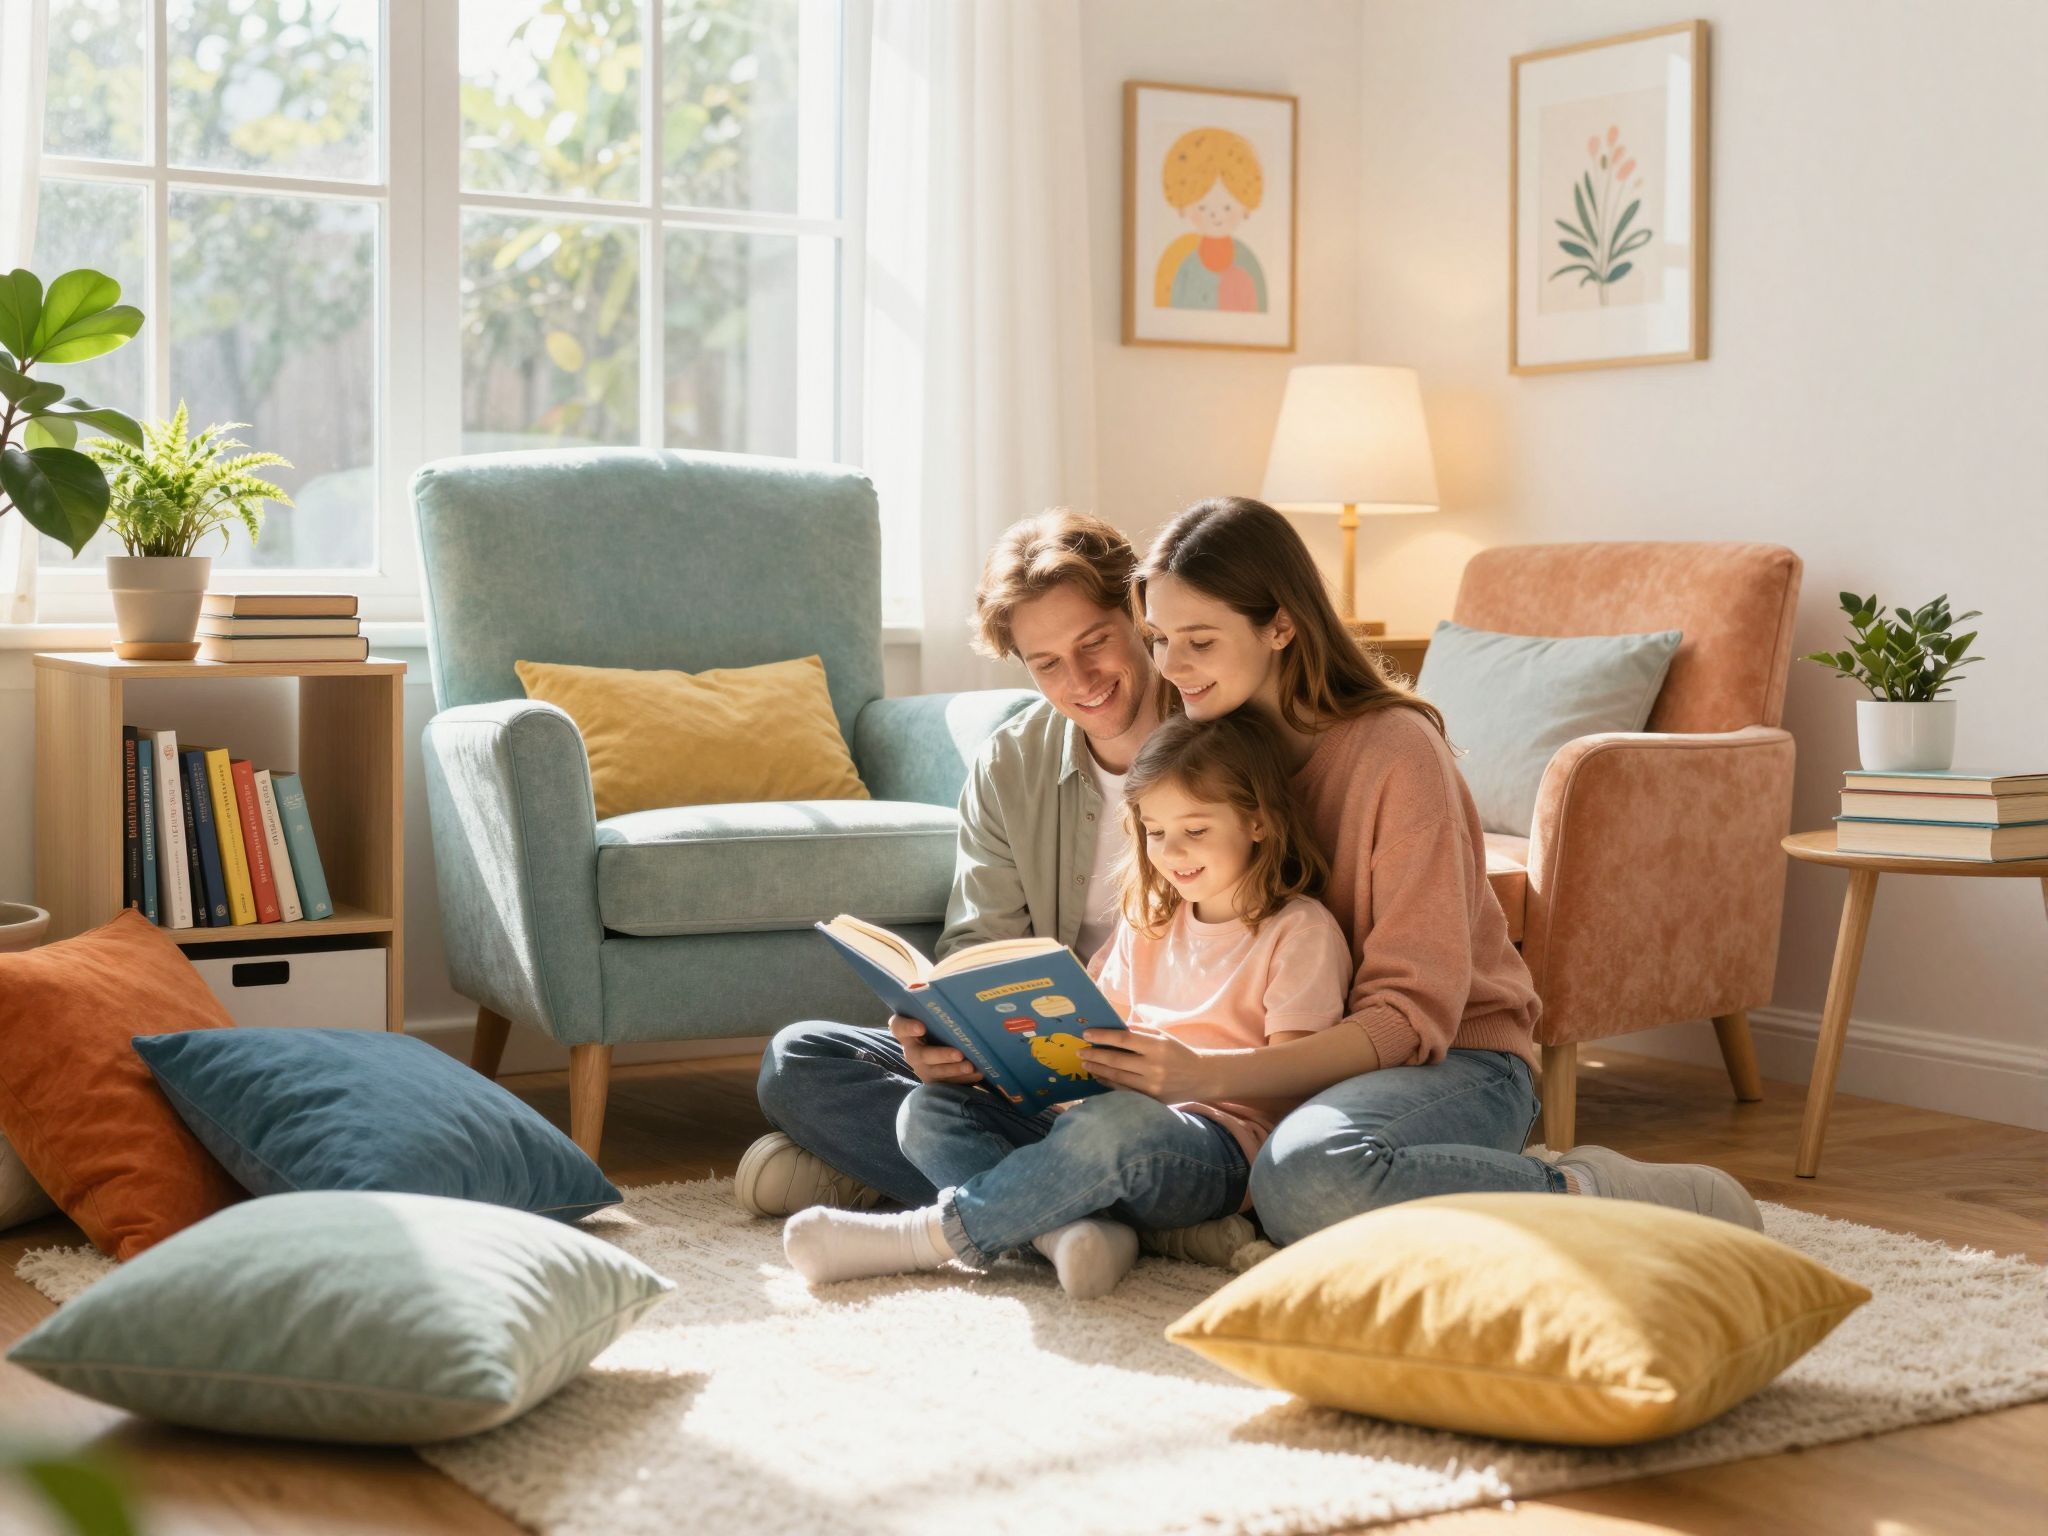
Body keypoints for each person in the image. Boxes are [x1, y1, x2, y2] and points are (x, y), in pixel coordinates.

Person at [1135, 497, 1761, 1239]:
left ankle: (1589, 1188)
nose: (1171, 667)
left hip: (1453, 1061)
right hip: (1290, 1069)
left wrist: (1211, 1076)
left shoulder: (1396, 752)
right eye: (1159, 638)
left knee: (1306, 1178)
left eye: (1198, 641)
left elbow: (1408, 1018)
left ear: (1280, 624)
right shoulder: (1207, 751)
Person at [781, 711, 1352, 1298]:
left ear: (1258, 822)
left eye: (1196, 830)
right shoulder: (1149, 922)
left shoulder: (1299, 932)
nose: (1173, 851)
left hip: (1218, 1151)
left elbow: (1295, 1087)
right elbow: (1090, 1037)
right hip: (1090, 1126)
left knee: (1113, 1122)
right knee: (927, 1111)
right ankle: (1074, 1233)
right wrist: (999, 1058)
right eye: (1155, 832)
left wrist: (1182, 1081)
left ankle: (924, 1238)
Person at [740, 509, 1178, 1226]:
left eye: (1095, 642)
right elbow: (979, 946)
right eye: (1046, 664)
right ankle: (1066, 1207)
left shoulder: (1219, 749)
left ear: (1138, 616)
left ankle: (968, 1191)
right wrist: (940, 1038)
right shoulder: (1010, 764)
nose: (1081, 680)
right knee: (799, 1060)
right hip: (1044, 1071)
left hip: (1163, 1066)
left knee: (1116, 1126)